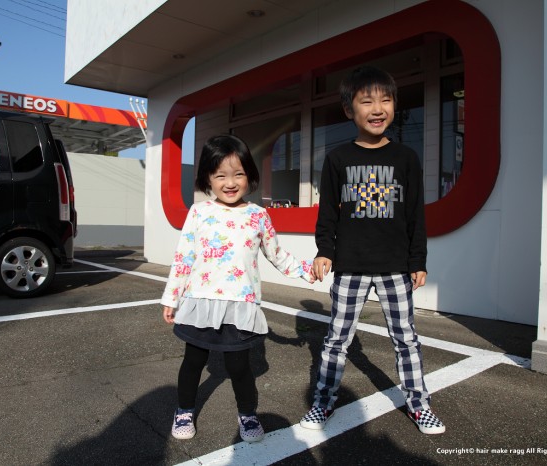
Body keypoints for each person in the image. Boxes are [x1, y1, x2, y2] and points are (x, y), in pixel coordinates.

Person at [299, 66, 445, 435]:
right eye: (367, 101)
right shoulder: (338, 159)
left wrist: (418, 260)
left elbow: (416, 215)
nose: (378, 108)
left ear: (394, 105)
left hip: (396, 267)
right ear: (349, 110)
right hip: (350, 266)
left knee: (406, 339)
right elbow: (327, 212)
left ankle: (418, 404)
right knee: (336, 340)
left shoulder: (406, 158)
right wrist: (324, 251)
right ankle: (323, 402)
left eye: (386, 100)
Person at [162, 134, 315, 442]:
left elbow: (276, 254)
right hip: (200, 301)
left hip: (240, 305)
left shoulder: (258, 215)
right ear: (208, 177)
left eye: (238, 174)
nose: (230, 183)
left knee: (239, 366)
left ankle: (247, 414)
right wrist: (172, 297)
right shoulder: (199, 212)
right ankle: (184, 410)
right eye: (220, 175)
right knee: (193, 361)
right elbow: (184, 257)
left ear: (250, 176)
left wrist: (305, 270)